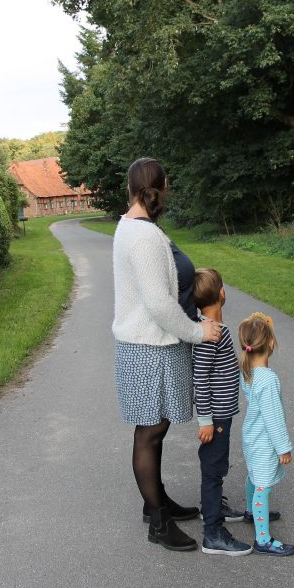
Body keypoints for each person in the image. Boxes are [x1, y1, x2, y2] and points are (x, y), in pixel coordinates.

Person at [112, 157, 222, 552]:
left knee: (154, 430)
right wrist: (197, 332)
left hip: (150, 345)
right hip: (149, 348)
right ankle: (157, 523)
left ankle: (156, 502)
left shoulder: (137, 227)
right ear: (159, 187)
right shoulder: (142, 237)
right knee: (150, 431)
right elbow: (158, 305)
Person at [193, 268, 252, 557]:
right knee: (214, 469)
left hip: (220, 414)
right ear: (221, 294)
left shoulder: (211, 327)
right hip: (214, 417)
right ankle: (213, 533)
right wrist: (205, 420)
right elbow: (200, 378)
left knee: (216, 464)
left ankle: (212, 508)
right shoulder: (211, 333)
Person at [239, 312, 294, 557]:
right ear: (271, 344)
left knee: (254, 476)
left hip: (251, 437)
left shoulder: (248, 371)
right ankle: (263, 539)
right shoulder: (268, 379)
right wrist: (283, 447)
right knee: (262, 486)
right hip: (264, 441)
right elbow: (273, 418)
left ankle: (252, 513)